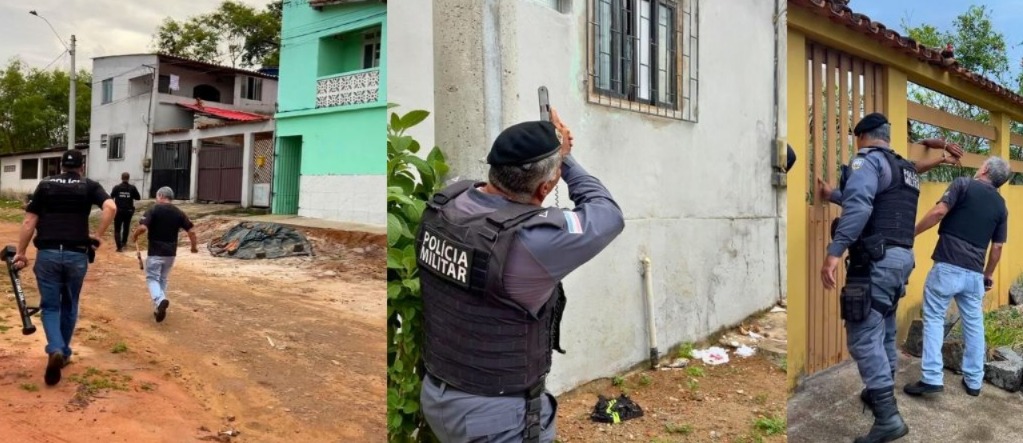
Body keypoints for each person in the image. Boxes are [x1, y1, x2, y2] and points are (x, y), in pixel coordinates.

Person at [416, 108, 625, 443]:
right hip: (497, 418)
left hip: (438, 394)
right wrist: (566, 161)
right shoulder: (532, 240)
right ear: (544, 188)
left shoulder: (446, 205)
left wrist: (555, 158)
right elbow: (607, 214)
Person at [816, 112, 965, 443]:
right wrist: (832, 195)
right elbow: (877, 198)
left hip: (874, 261)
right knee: (882, 328)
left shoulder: (866, 162)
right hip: (901, 260)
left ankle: (887, 418)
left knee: (860, 335)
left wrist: (834, 251)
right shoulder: (903, 168)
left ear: (863, 136)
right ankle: (878, 392)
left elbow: (859, 207)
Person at [904, 157, 1010, 398]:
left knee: (933, 318)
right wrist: (988, 273)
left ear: (984, 169)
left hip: (948, 266)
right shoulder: (1001, 207)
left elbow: (940, 211)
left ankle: (931, 377)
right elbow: (997, 247)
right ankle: (974, 381)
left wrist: (912, 233)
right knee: (974, 325)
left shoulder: (963, 184)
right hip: (974, 274)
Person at [13, 150, 116, 386]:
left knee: (50, 306)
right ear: (82, 166)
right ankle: (65, 352)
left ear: (61, 166)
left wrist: (20, 252)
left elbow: (29, 220)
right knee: (69, 304)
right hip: (76, 254)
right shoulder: (88, 185)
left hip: (47, 253)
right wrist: (97, 236)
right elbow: (110, 208)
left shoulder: (46, 185)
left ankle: (55, 348)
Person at [131, 186, 198, 323]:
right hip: (171, 254)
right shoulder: (179, 212)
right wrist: (193, 247)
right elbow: (191, 231)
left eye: (157, 196)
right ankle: (159, 307)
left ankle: (160, 299)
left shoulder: (154, 209)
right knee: (162, 279)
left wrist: (135, 234)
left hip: (155, 251)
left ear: (161, 195)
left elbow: (143, 227)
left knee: (152, 278)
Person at [111, 172, 141, 252]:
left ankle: (119, 247)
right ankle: (124, 243)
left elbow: (111, 197)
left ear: (121, 178)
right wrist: (130, 195)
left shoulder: (117, 188)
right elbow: (138, 197)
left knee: (117, 229)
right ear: (128, 178)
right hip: (128, 211)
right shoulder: (132, 188)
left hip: (119, 211)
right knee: (126, 227)